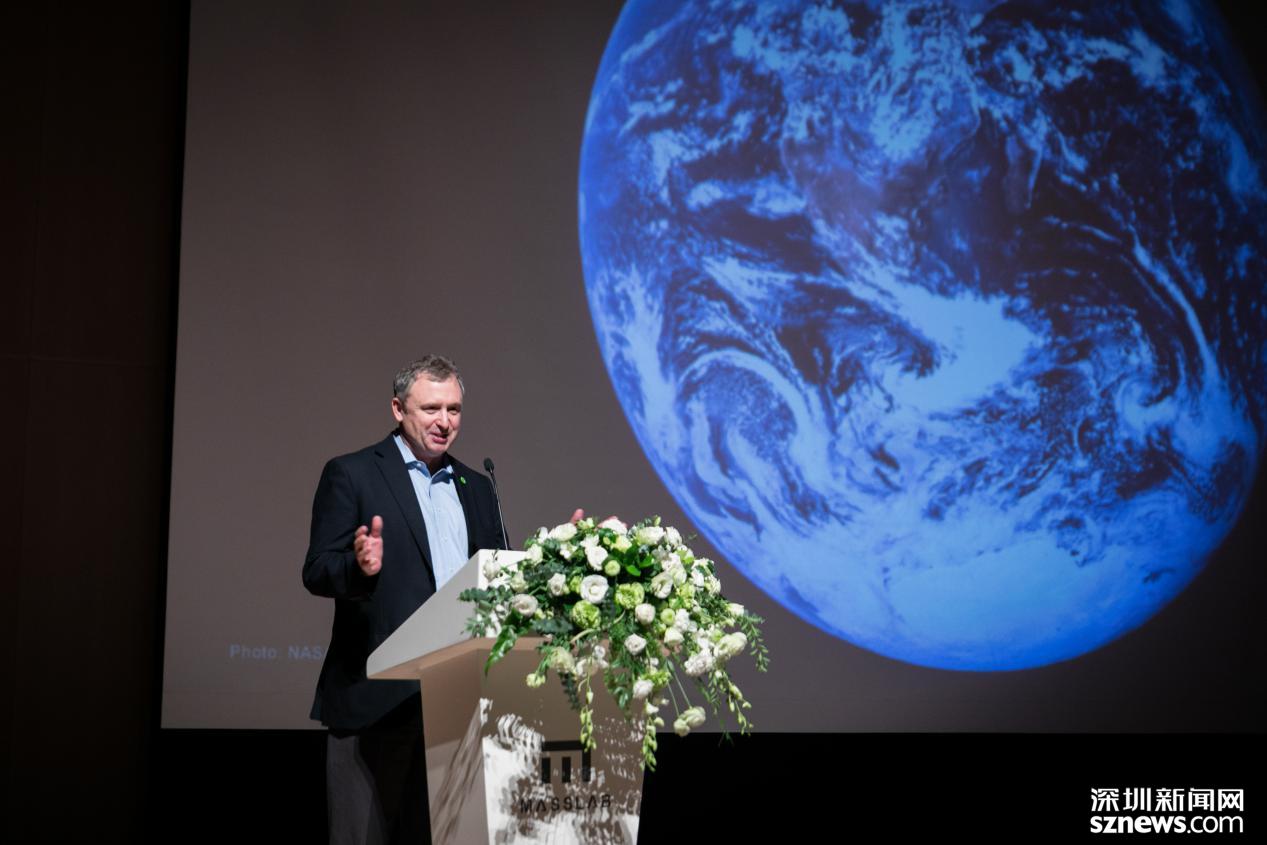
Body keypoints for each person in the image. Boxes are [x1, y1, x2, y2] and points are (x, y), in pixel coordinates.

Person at [303, 354, 505, 844]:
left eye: (454, 410)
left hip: (459, 704)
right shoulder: (353, 473)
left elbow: (497, 580)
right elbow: (317, 570)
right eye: (431, 408)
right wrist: (359, 567)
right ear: (398, 409)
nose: (444, 422)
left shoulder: (477, 487)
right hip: (376, 702)